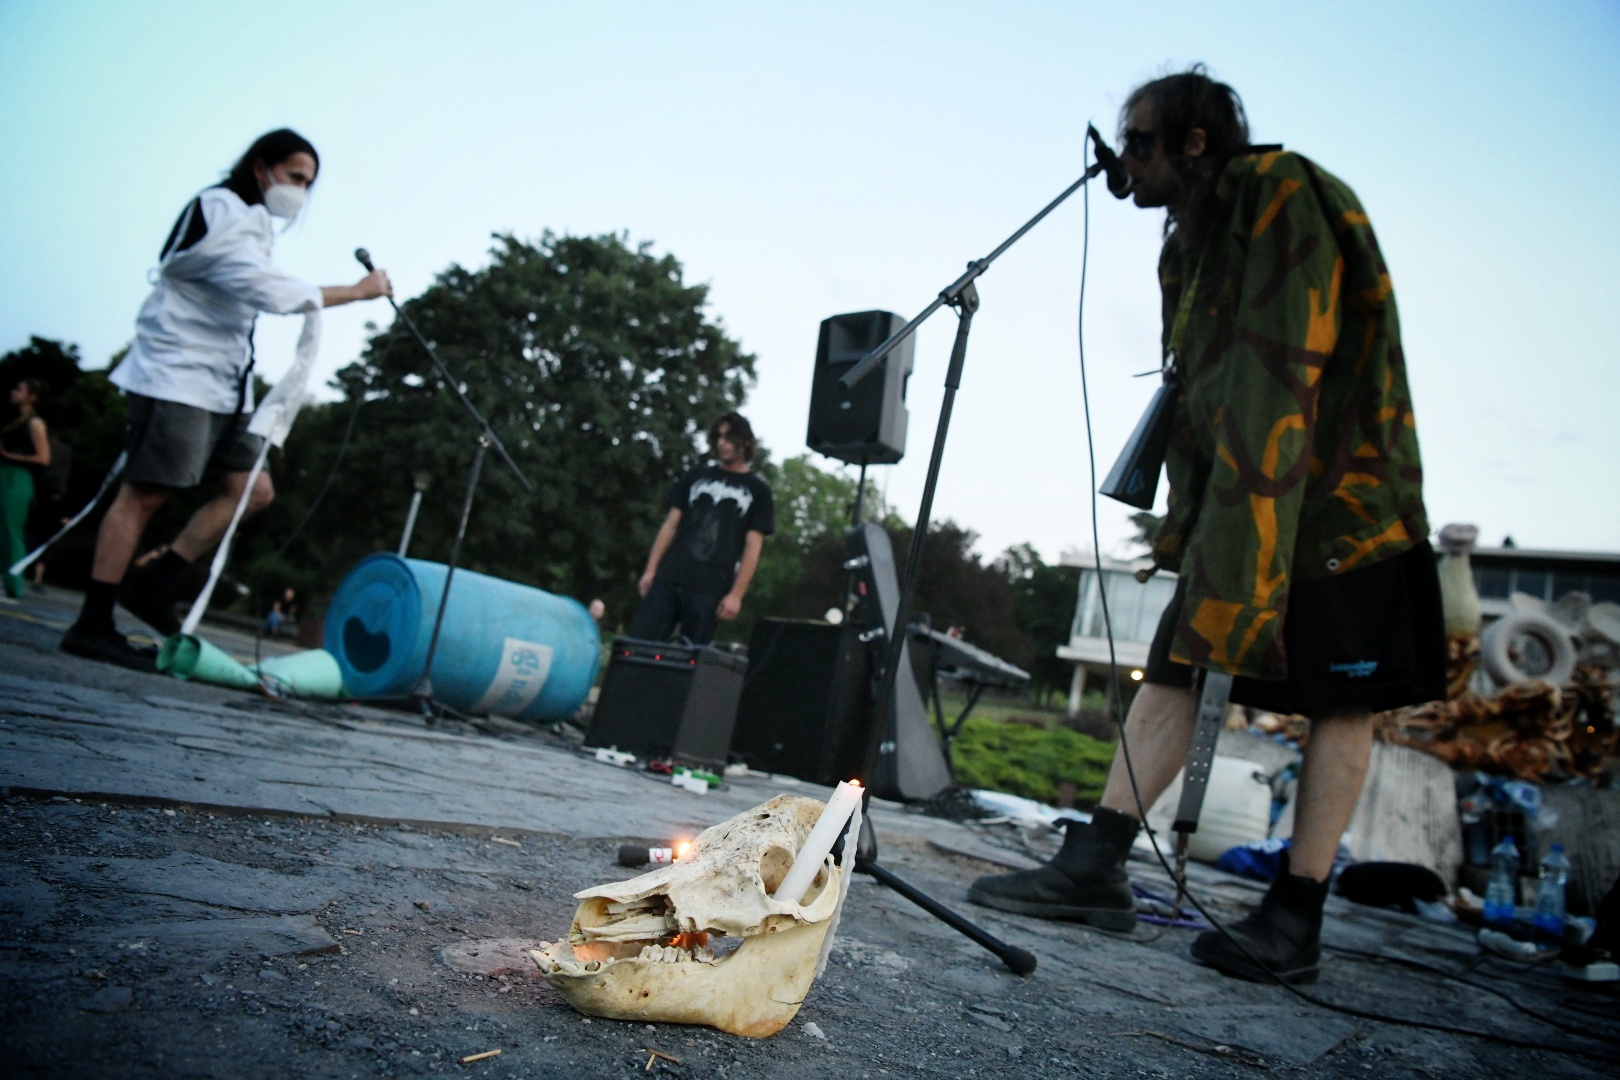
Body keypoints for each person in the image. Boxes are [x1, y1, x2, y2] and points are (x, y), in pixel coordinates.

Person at [969, 68, 1445, 986]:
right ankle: (1095, 866)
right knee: (1179, 665)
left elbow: (1279, 377)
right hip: (1247, 497)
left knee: (1342, 697)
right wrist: (1193, 526)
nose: (1125, 163)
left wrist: (1232, 548)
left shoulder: (1278, 195)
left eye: (1139, 141)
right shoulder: (1187, 242)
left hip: (1342, 504)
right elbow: (1201, 393)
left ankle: (1296, 916)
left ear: (1194, 142)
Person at [60, 129, 393, 669]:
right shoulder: (221, 208)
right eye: (295, 177)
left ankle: (155, 582)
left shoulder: (256, 223)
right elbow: (267, 290)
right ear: (261, 168)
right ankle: (92, 621)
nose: (300, 192)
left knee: (252, 490)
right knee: (145, 493)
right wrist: (356, 293)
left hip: (224, 382)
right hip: (179, 373)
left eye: (309, 184)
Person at [629, 412, 774, 646]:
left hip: (710, 586)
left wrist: (736, 595)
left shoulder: (758, 490)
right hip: (671, 575)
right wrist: (651, 570)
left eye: (729, 438)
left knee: (691, 656)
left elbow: (753, 545)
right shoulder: (697, 476)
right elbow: (670, 525)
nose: (722, 443)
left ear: (745, 442)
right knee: (639, 644)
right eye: (719, 437)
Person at [0, 378, 53, 600]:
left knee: (11, 531)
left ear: (32, 397)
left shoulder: (35, 423)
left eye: (19, 389)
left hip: (17, 477)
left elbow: (44, 458)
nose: (14, 392)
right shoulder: (14, 420)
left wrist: (8, 455)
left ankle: (14, 583)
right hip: (5, 473)